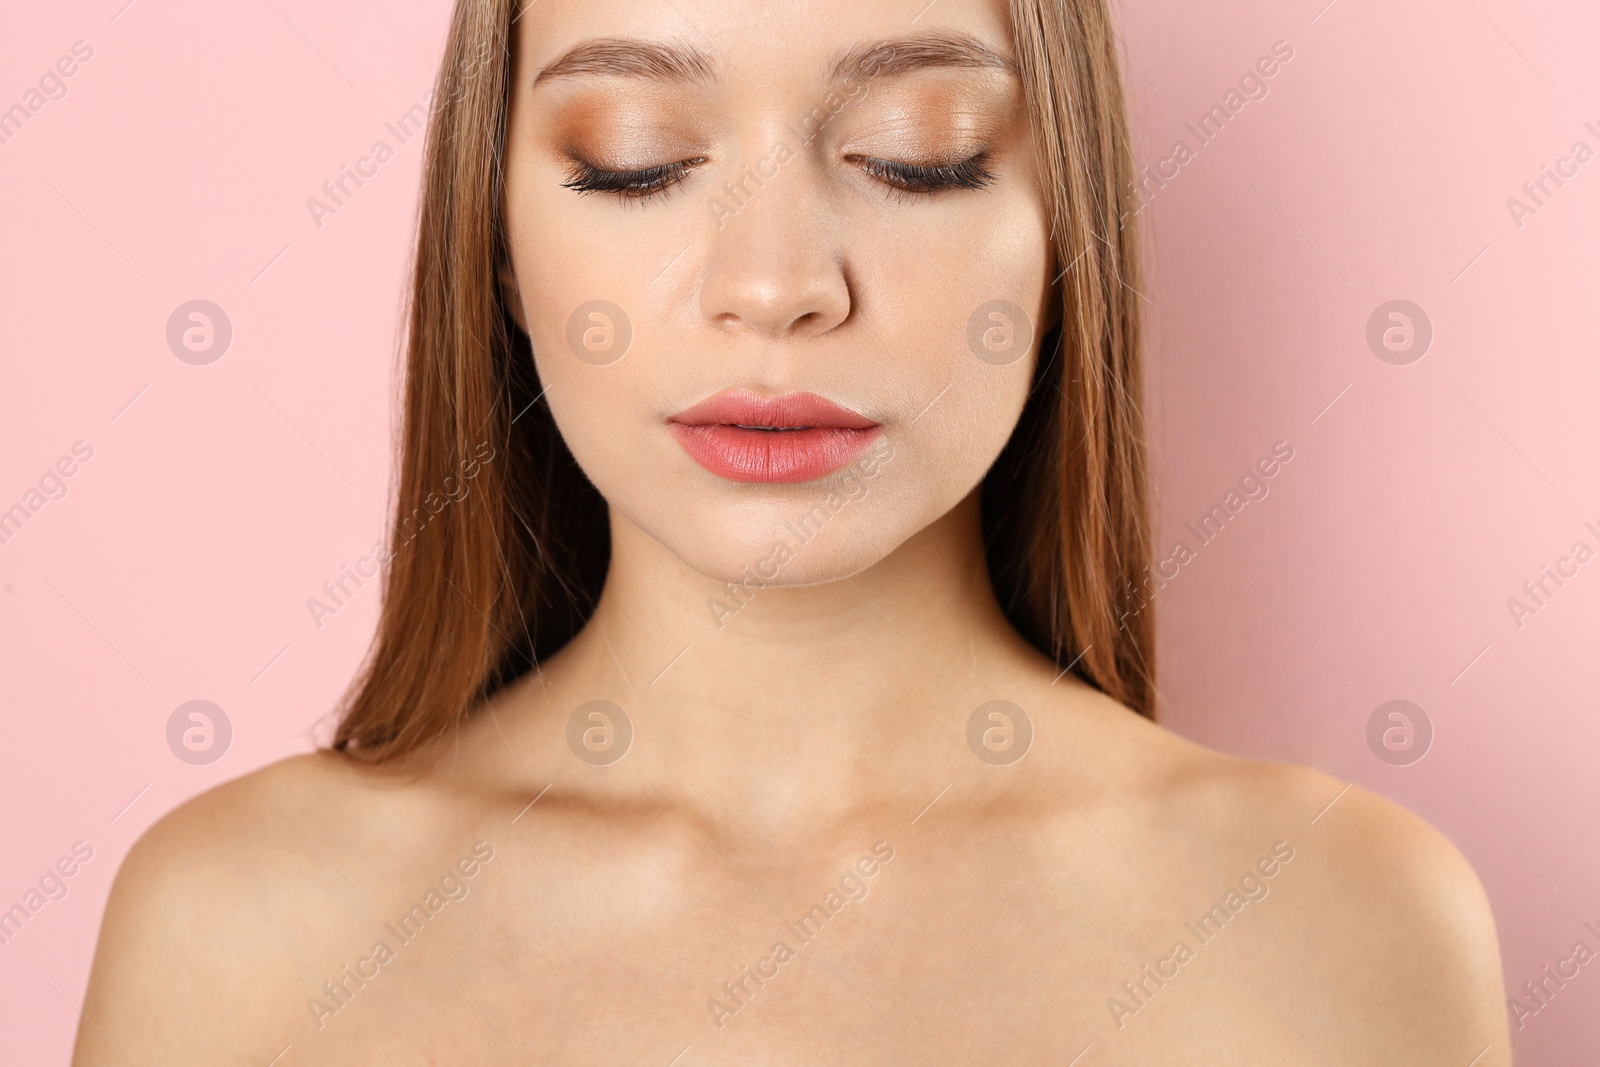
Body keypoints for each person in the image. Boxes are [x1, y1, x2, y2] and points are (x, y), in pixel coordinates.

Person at [74, 0, 1510, 1062]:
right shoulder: (235, 939)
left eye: (918, 157)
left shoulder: (1333, 929)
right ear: (500, 248)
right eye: (633, 161)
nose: (773, 287)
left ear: (1065, 228)